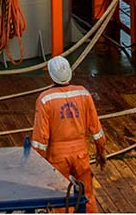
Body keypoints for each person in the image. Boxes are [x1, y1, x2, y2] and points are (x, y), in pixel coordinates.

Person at [30, 55, 106, 212]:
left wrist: (38, 167)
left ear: (50, 75)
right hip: (81, 154)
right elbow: (96, 130)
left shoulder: (45, 99)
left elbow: (40, 140)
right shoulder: (83, 94)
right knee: (87, 196)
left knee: (61, 199)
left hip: (57, 157)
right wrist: (101, 151)